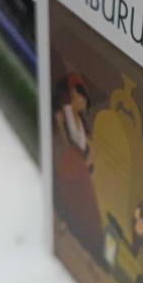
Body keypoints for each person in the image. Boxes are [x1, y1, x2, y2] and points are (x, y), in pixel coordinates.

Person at [53, 73, 104, 266]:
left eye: (82, 97)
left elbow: (84, 149)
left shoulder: (81, 124)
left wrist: (88, 161)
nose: (81, 100)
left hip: (79, 169)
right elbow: (65, 145)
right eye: (77, 95)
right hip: (69, 165)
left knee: (87, 211)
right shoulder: (64, 114)